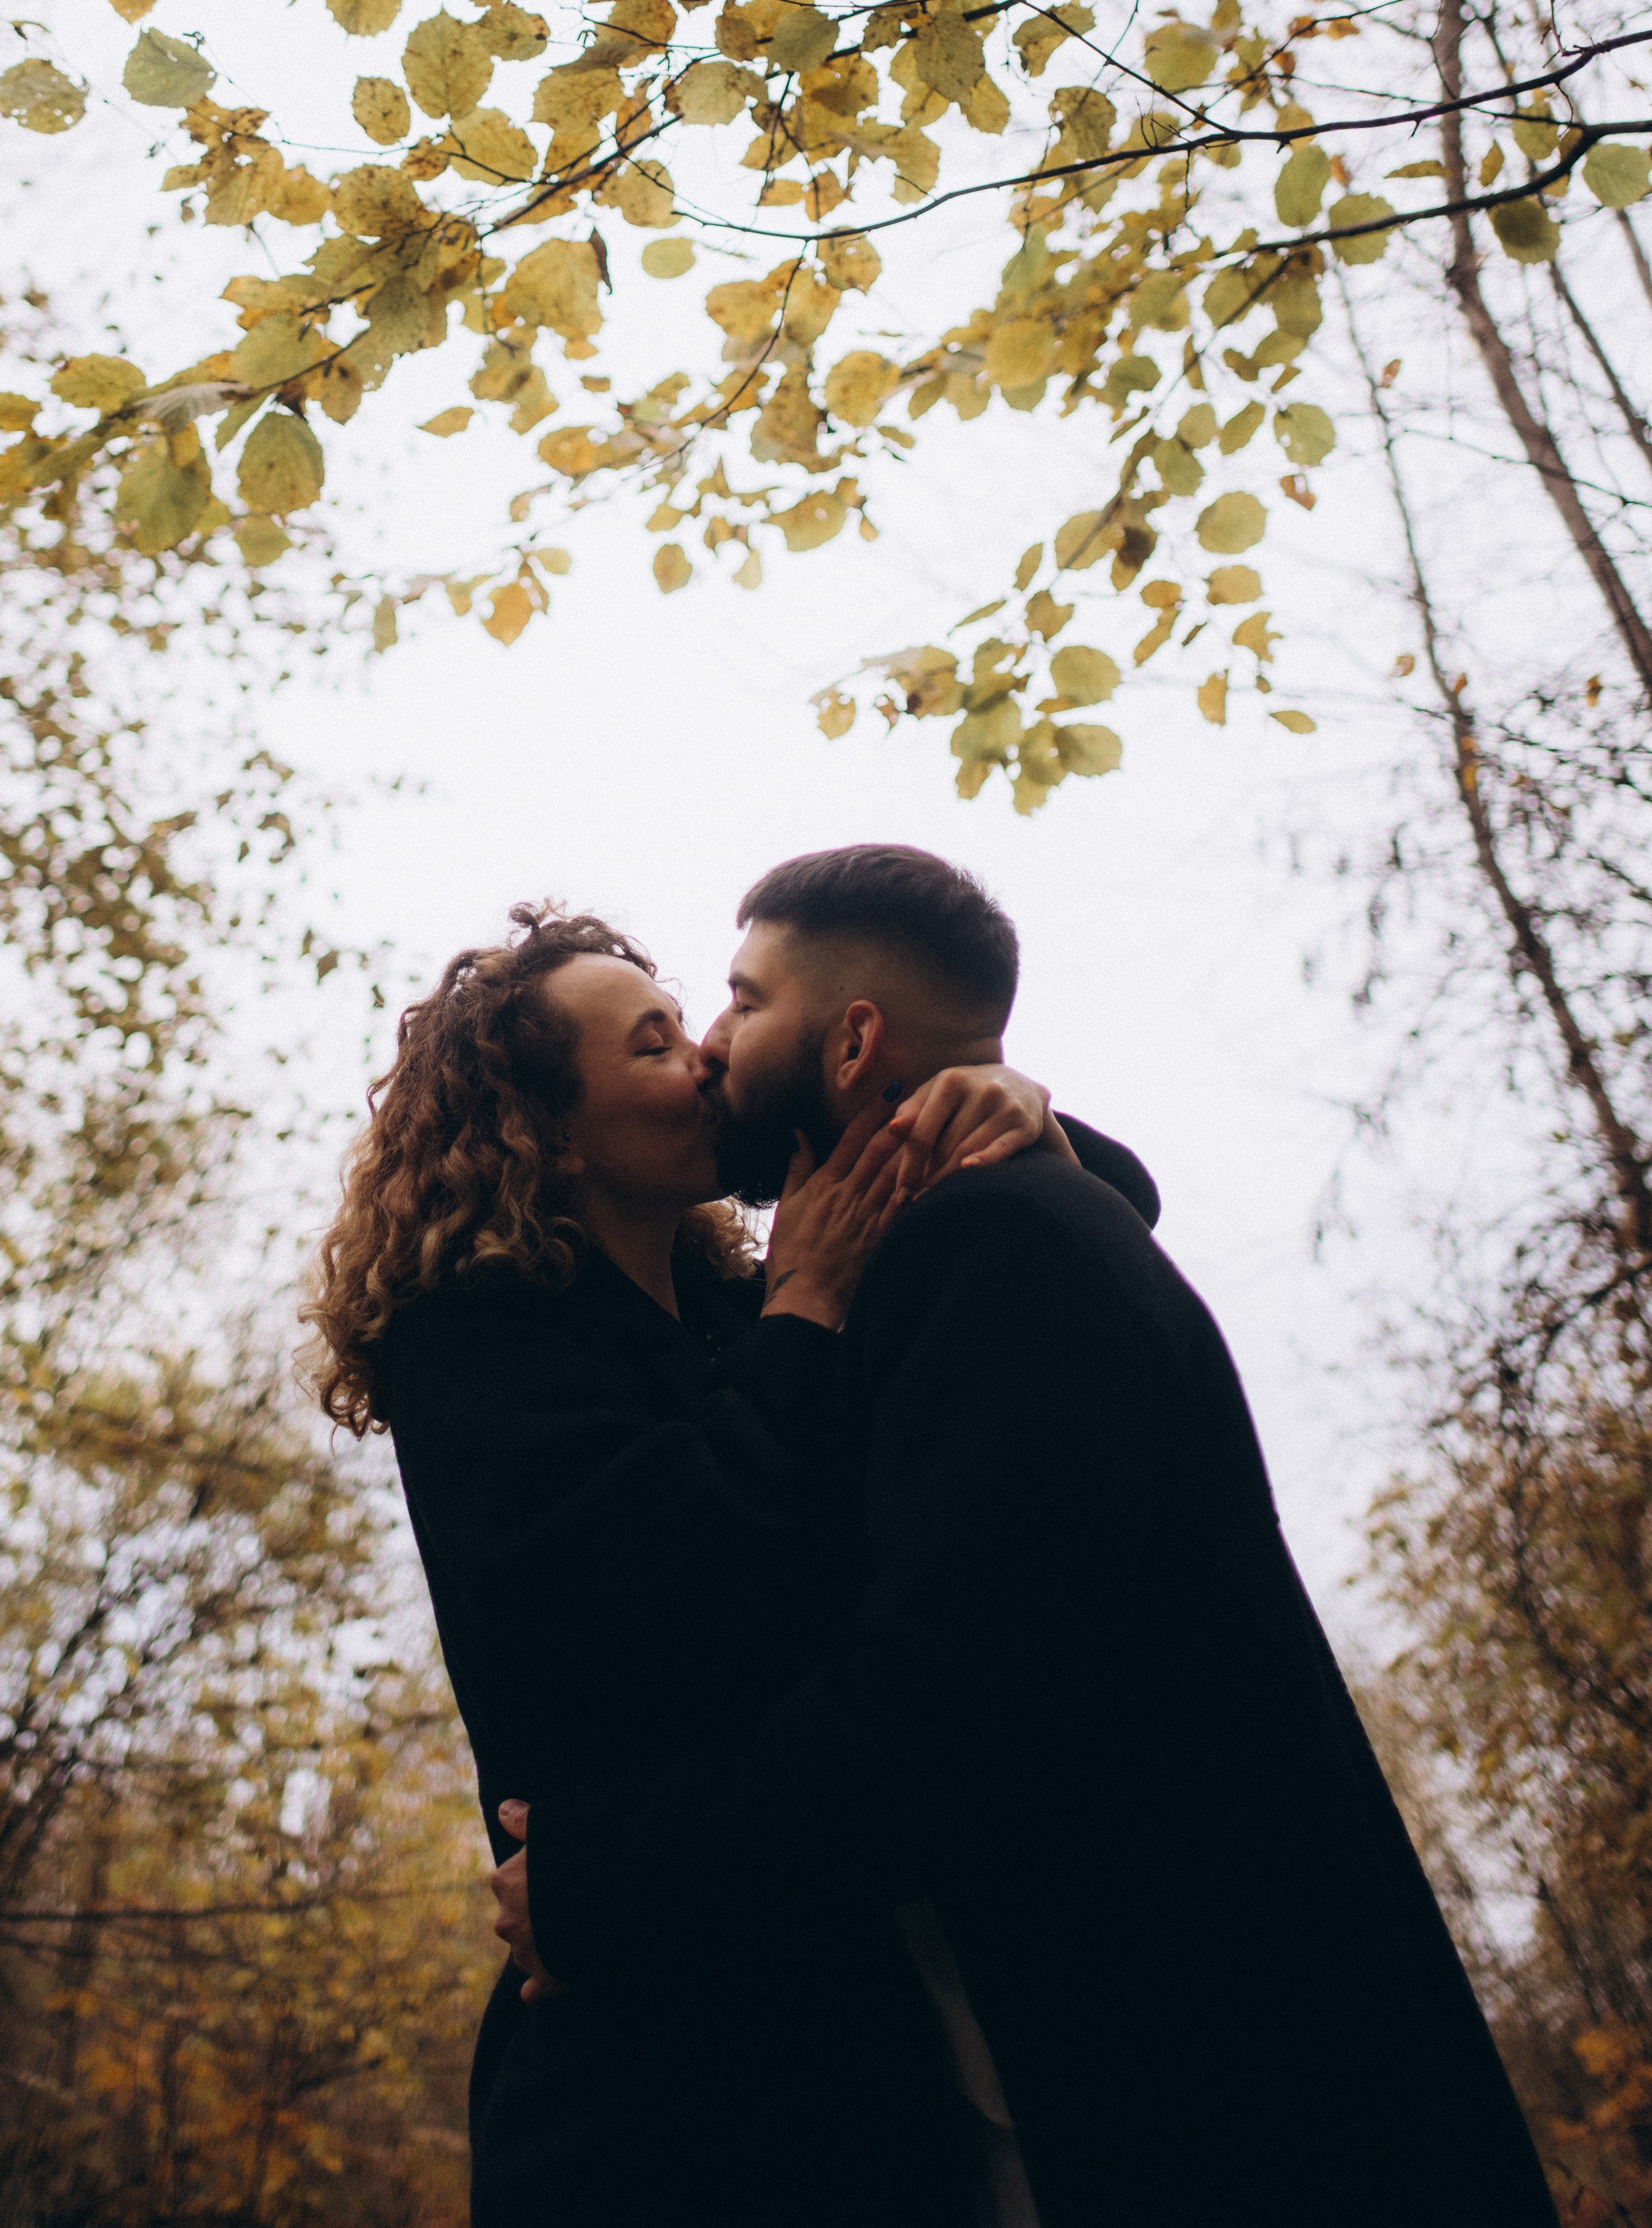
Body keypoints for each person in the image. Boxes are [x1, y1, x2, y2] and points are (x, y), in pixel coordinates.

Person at [494, 843, 1560, 2228]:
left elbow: (951, 1717)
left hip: (1239, 2105)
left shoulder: (993, 1249)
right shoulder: (998, 1231)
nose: (710, 1042)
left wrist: (600, 1886)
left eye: (745, 1003)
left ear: (854, 1036)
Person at [306, 903, 1157, 2228]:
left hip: (852, 2032)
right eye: (652, 1045)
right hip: (648, 2085)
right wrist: (807, 1307)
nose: (706, 1056)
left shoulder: (733, 1313)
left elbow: (1043, 1253)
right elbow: (672, 1585)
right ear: (547, 1130)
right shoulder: (475, 1345)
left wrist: (1005, 1109)